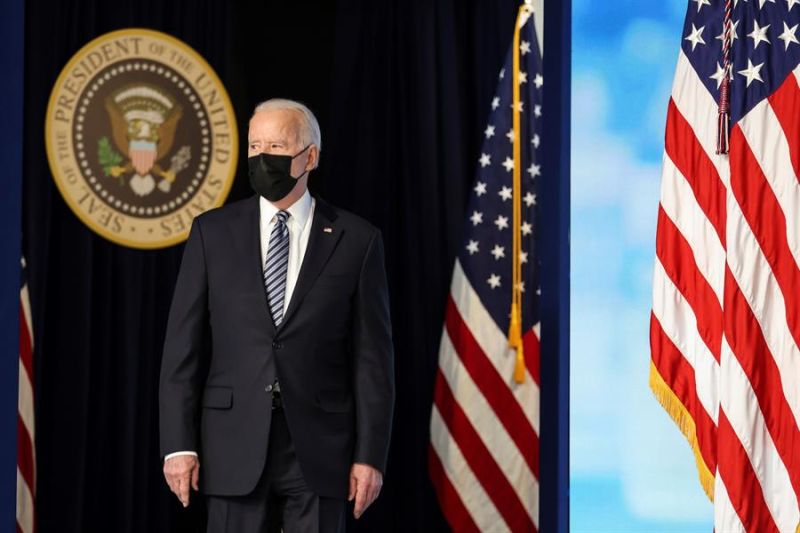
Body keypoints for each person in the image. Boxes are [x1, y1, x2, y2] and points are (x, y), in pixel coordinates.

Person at [159, 98, 395, 533]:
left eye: (276, 145)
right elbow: (182, 350)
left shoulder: (358, 240)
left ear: (310, 157)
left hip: (321, 446)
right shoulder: (212, 232)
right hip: (231, 440)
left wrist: (369, 455)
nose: (263, 156)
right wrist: (177, 446)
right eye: (255, 146)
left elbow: (372, 361)